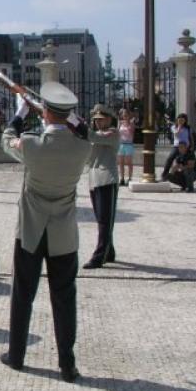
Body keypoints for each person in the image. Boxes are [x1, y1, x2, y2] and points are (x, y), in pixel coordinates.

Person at [0, 82, 91, 382]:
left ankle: (16, 355)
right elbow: (85, 131)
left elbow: (6, 140)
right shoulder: (82, 148)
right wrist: (63, 116)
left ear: (45, 112)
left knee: (23, 294)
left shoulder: (31, 144)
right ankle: (67, 364)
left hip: (31, 230)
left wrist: (20, 113)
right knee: (64, 298)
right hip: (63, 233)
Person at [84, 104, 120, 269]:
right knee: (101, 218)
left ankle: (99, 256)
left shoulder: (113, 133)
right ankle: (109, 250)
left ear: (109, 119)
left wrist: (77, 125)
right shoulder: (96, 134)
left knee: (105, 220)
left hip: (107, 179)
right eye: (96, 120)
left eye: (101, 119)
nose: (98, 122)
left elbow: (93, 136)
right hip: (94, 179)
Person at [161, 113, 194, 180]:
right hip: (177, 146)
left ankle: (187, 176)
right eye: (179, 120)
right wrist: (179, 127)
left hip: (186, 147)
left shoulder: (188, 128)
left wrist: (192, 146)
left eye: (182, 120)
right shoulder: (174, 127)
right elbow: (176, 134)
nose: (181, 121)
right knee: (170, 159)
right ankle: (164, 174)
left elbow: (191, 137)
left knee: (187, 161)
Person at [117, 108, 136, 186]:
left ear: (129, 115)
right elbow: (118, 132)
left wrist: (129, 123)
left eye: (126, 115)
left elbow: (131, 132)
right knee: (121, 163)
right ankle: (122, 179)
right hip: (121, 144)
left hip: (128, 144)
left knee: (129, 163)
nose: (124, 116)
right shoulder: (120, 123)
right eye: (123, 115)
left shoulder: (131, 124)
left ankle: (130, 178)